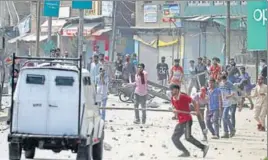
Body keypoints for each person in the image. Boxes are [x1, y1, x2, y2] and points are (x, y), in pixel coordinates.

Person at [170, 84, 209, 158]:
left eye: (173, 89)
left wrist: (197, 111)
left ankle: (204, 147)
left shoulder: (183, 96)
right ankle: (185, 152)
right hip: (181, 121)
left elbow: (195, 102)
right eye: (171, 90)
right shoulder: (172, 98)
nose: (171, 91)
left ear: (177, 90)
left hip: (187, 120)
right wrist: (174, 113)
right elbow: (174, 107)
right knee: (174, 138)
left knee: (188, 137)